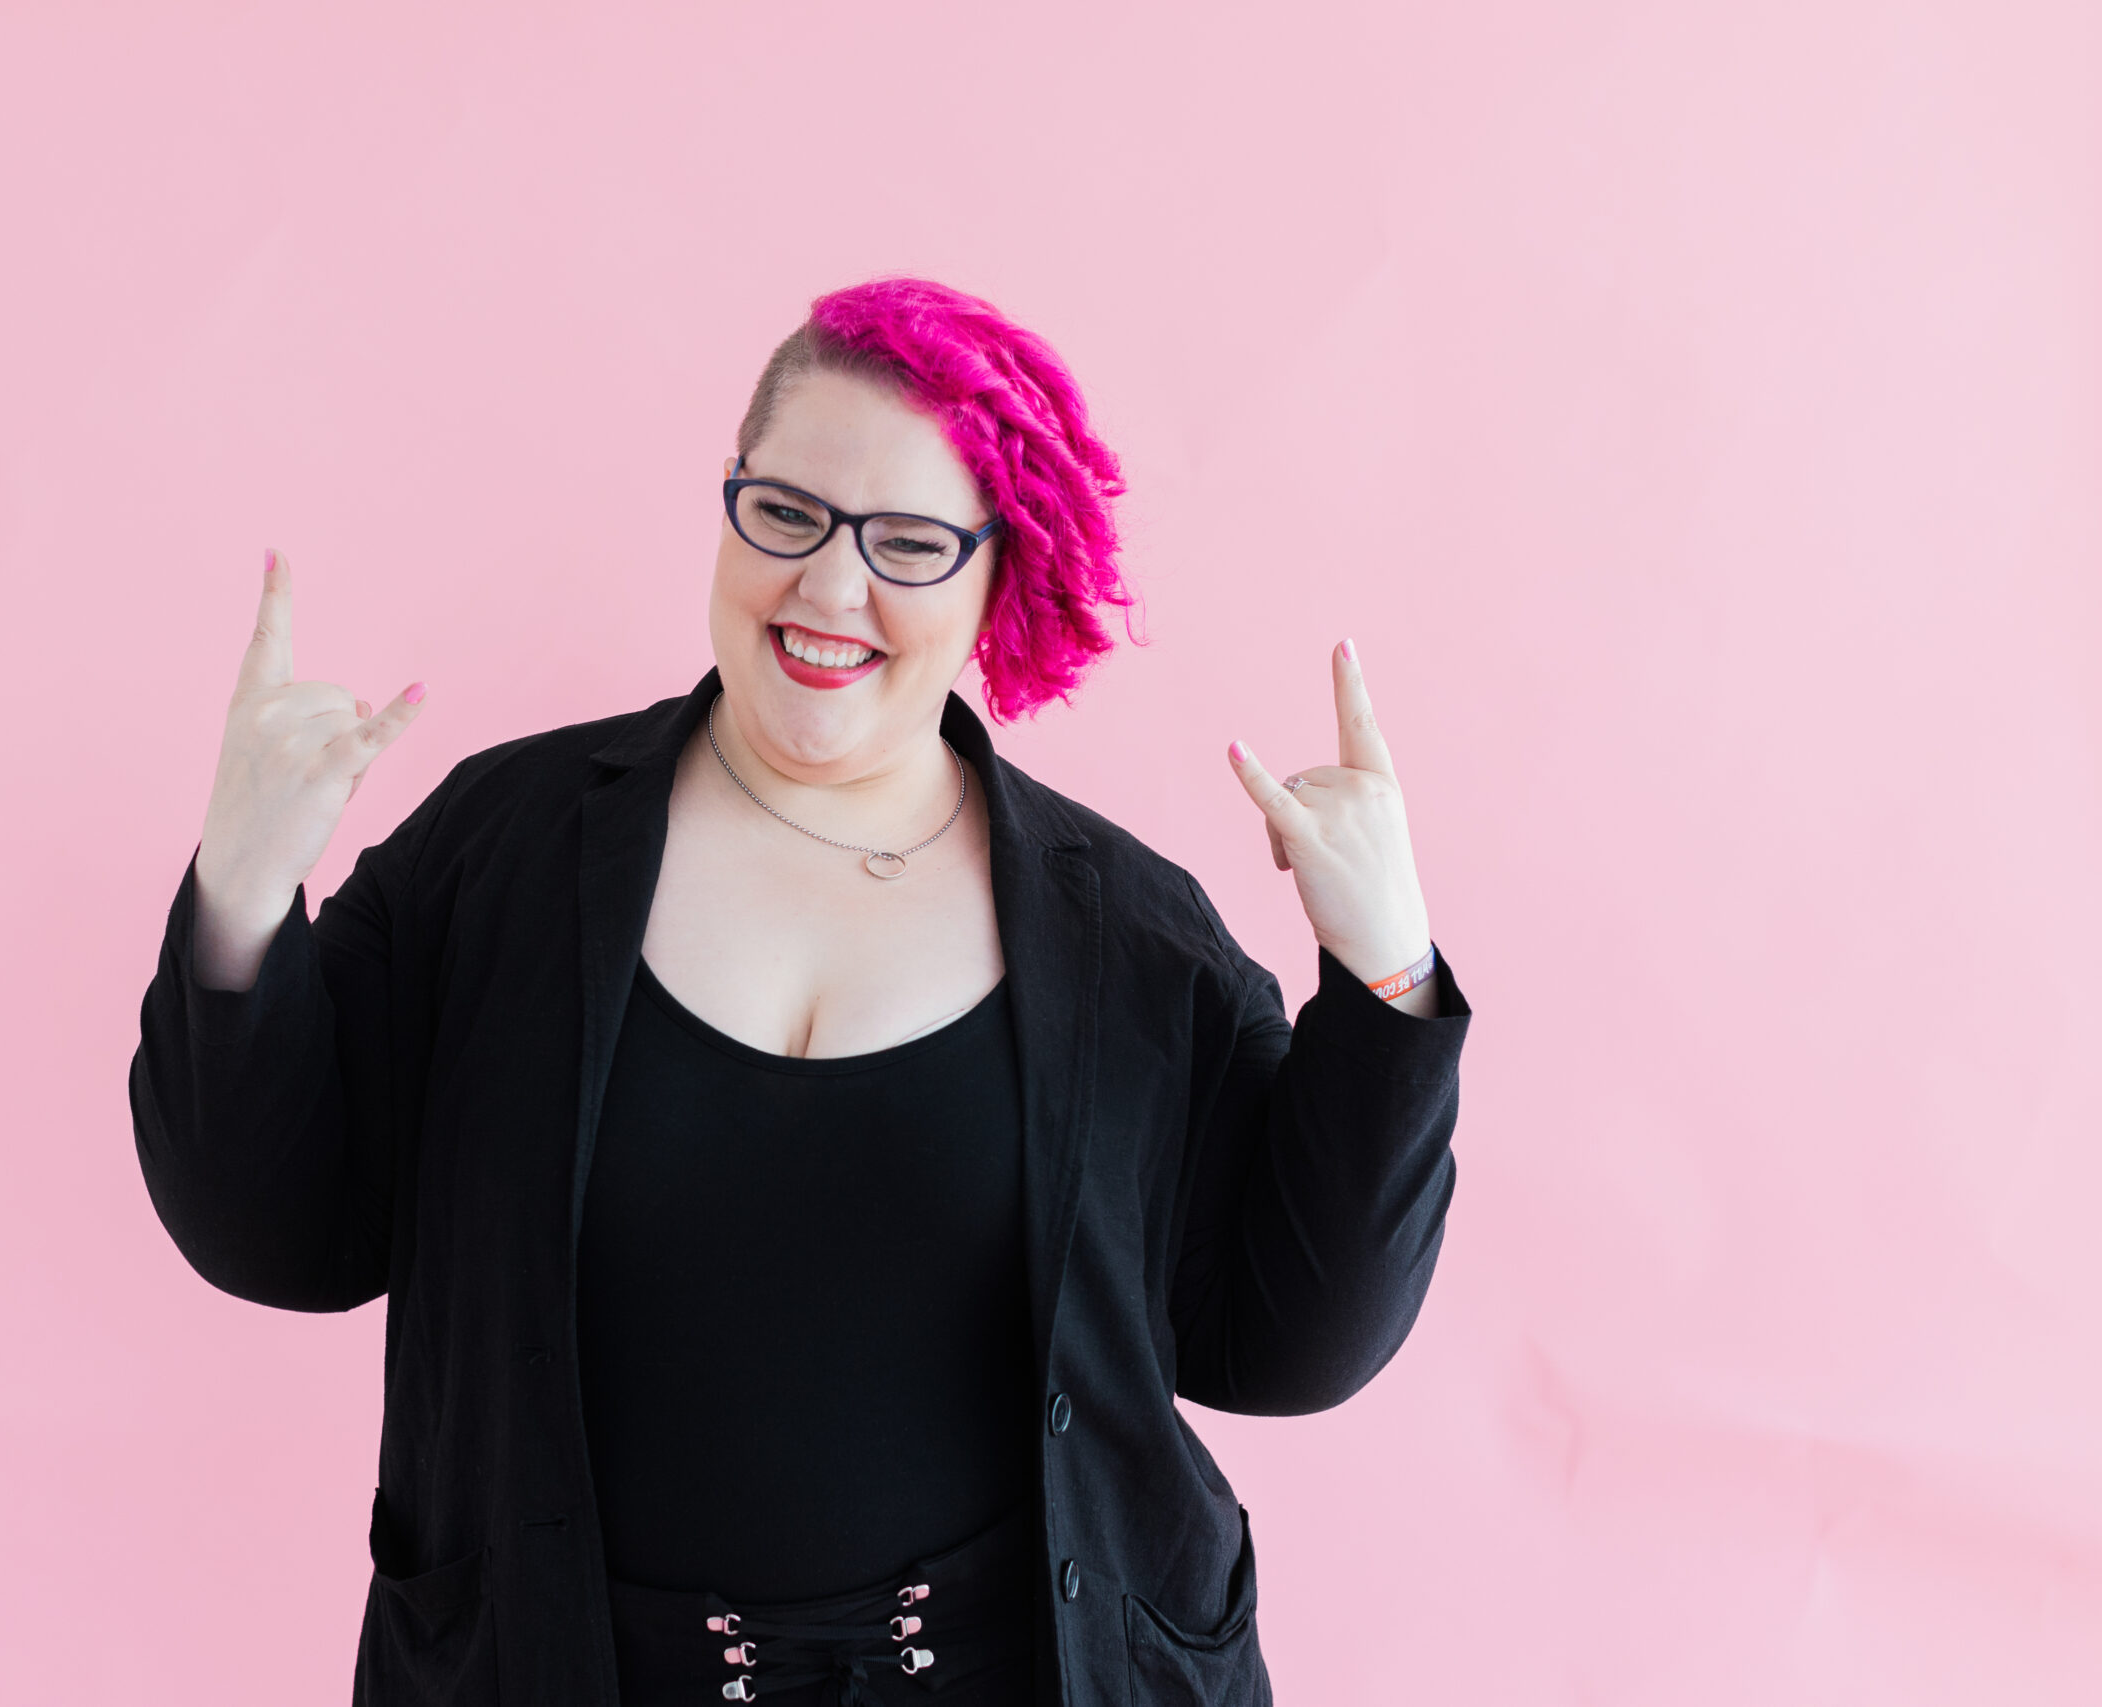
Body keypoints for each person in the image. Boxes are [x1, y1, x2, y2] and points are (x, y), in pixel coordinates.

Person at [130, 277, 1470, 1707]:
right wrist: (243, 895)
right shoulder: (504, 850)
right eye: (788, 513)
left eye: (907, 542)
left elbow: (1289, 1341)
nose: (832, 588)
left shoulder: (1131, 933)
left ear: (992, 575)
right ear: (730, 504)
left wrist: (1384, 969)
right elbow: (279, 1233)